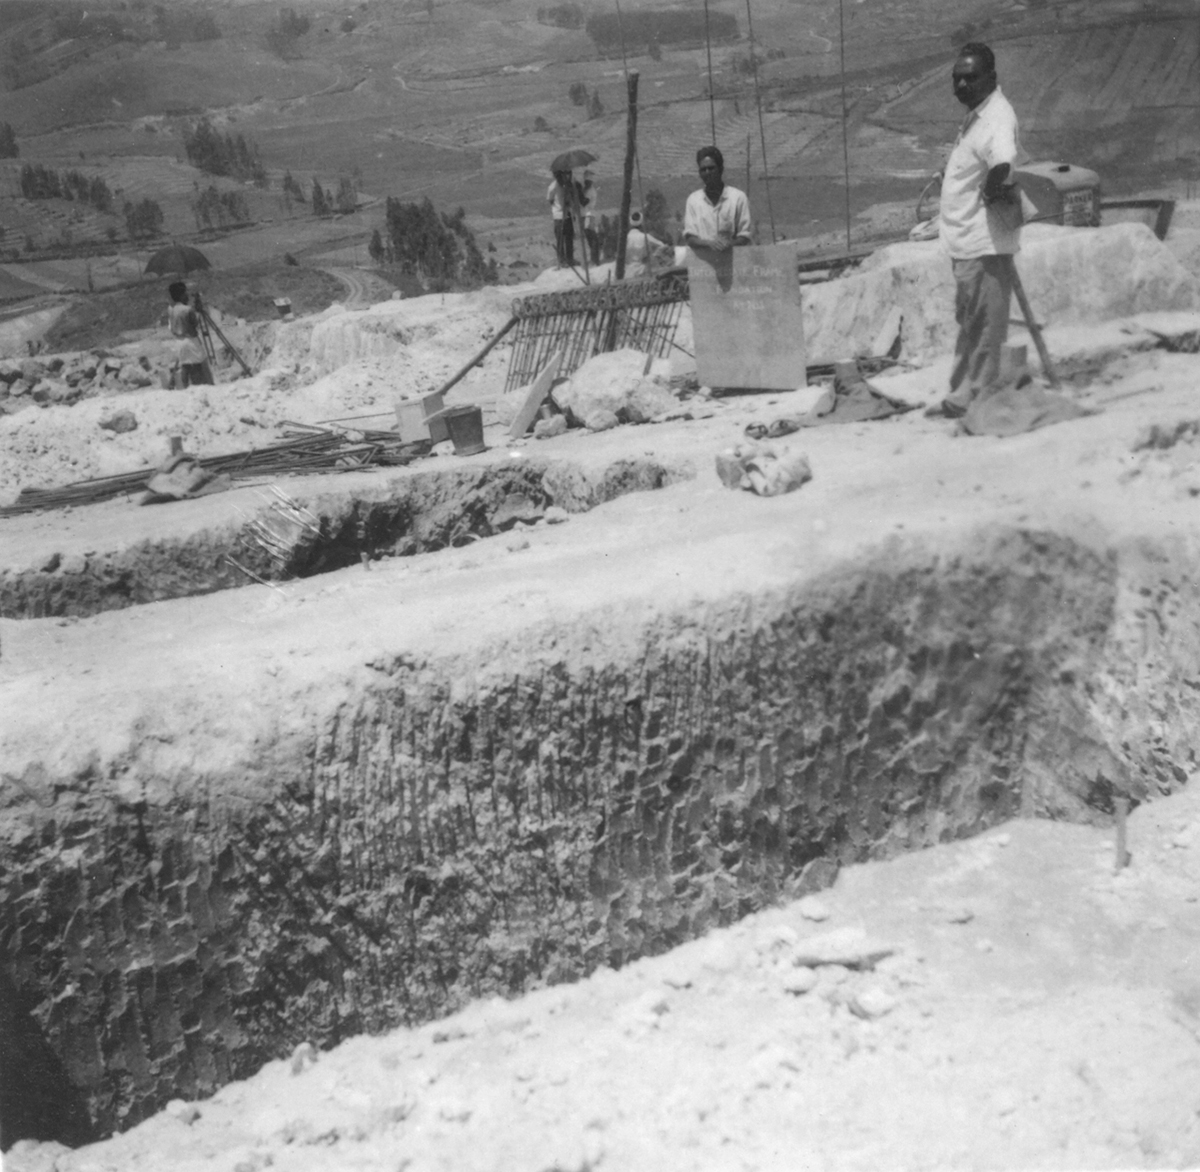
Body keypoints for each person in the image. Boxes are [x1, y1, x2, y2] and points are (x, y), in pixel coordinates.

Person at [932, 41, 1023, 417]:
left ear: (992, 78)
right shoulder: (977, 114)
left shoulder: (997, 117)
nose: (962, 85)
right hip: (966, 240)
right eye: (957, 79)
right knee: (971, 322)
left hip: (983, 242)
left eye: (971, 77)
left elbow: (1003, 162)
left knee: (985, 326)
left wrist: (993, 184)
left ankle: (978, 398)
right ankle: (960, 395)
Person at [682, 146, 753, 253]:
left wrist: (729, 245)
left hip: (732, 263)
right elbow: (690, 237)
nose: (707, 173)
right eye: (703, 169)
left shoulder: (738, 197)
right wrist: (709, 244)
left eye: (711, 168)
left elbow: (745, 235)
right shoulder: (693, 200)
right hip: (702, 265)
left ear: (721, 169)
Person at [166, 281, 212, 387]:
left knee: (185, 365)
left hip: (178, 341)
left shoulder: (170, 309)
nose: (187, 295)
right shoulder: (188, 309)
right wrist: (198, 311)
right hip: (190, 340)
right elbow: (195, 323)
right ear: (181, 295)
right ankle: (201, 384)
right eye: (185, 293)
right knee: (197, 364)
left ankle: (185, 386)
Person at [623, 209, 669, 279]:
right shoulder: (645, 237)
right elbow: (663, 246)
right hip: (642, 272)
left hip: (627, 273)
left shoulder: (625, 239)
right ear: (642, 223)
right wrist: (654, 255)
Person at [547, 170, 577, 267]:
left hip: (566, 215)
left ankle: (569, 259)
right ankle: (562, 261)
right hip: (559, 216)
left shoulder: (566, 186)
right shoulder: (553, 187)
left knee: (569, 238)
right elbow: (550, 199)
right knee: (560, 239)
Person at [581, 170, 601, 267]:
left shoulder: (590, 191)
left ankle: (594, 260)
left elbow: (584, 202)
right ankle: (594, 259)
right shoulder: (587, 190)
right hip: (586, 214)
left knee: (592, 237)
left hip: (589, 215)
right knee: (590, 238)